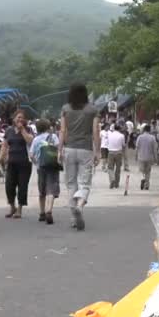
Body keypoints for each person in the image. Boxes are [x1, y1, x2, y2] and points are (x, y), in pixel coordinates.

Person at [59, 83, 100, 231]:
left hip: (69, 149)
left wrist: (59, 149)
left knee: (71, 184)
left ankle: (73, 217)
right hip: (86, 150)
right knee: (84, 183)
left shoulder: (65, 109)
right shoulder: (92, 110)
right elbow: (95, 132)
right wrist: (98, 152)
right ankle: (80, 206)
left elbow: (63, 131)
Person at [0, 110, 34, 219]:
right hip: (11, 162)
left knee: (22, 186)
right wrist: (0, 159)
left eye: (22, 118)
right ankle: (12, 207)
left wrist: (22, 130)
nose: (20, 119)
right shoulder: (9, 130)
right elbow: (4, 146)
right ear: (14, 119)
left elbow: (30, 141)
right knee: (9, 186)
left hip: (24, 163)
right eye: (18, 117)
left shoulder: (28, 129)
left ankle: (19, 209)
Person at [30, 119, 61, 225]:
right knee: (51, 189)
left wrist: (36, 163)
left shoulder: (36, 139)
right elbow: (59, 150)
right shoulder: (53, 137)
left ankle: (42, 212)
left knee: (42, 190)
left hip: (41, 167)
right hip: (52, 166)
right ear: (48, 127)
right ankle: (49, 210)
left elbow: (31, 155)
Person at [136, 125, 158, 190]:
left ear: (144, 130)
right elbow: (154, 149)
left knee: (141, 170)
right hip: (149, 157)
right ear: (149, 130)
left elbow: (137, 147)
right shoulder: (152, 138)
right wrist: (155, 158)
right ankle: (147, 185)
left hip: (141, 157)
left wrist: (136, 155)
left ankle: (142, 178)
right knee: (148, 171)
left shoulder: (140, 137)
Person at [107, 123, 125, 189]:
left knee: (110, 168)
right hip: (118, 153)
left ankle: (112, 179)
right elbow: (123, 145)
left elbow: (107, 143)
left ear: (114, 128)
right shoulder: (122, 135)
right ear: (120, 129)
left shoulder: (110, 135)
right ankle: (116, 183)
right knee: (118, 169)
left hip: (111, 152)